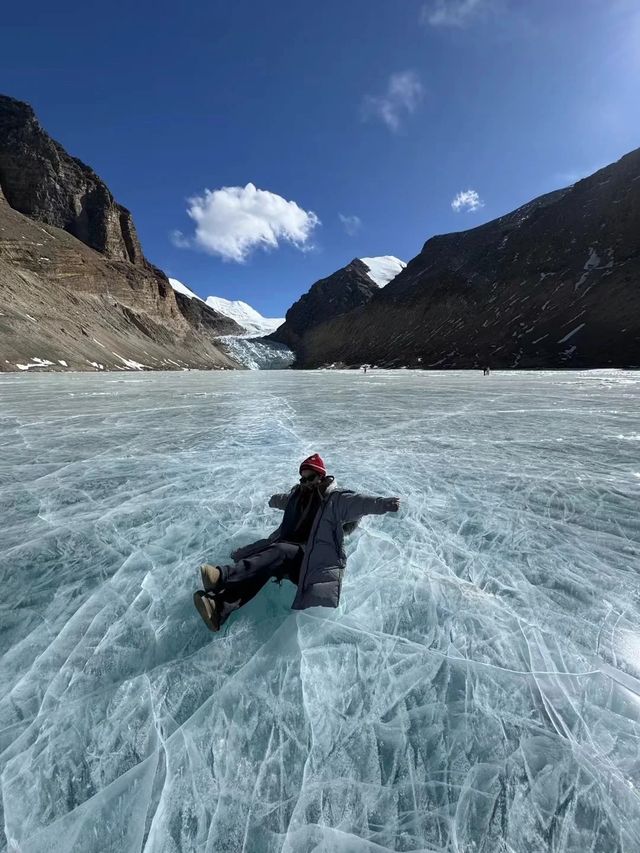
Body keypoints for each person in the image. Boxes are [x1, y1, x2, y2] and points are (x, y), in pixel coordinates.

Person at [193, 453, 401, 631]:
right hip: (292, 556)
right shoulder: (298, 496)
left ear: (321, 476)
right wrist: (273, 500)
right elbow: (285, 500)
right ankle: (218, 608)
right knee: (264, 567)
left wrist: (387, 504)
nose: (305, 483)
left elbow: (361, 502)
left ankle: (223, 575)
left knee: (280, 551)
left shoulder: (334, 500)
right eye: (302, 479)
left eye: (310, 478)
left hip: (312, 561)